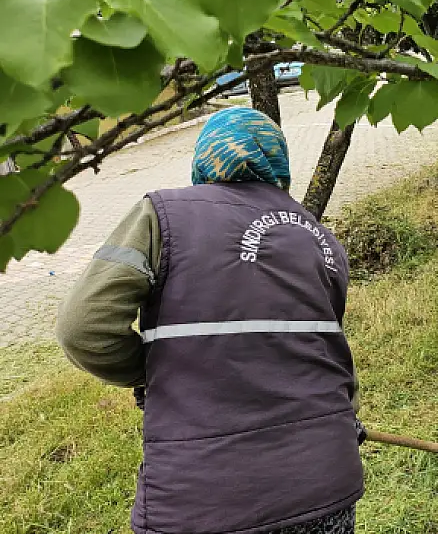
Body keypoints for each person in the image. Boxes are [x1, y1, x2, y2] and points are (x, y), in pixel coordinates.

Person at [56, 108, 364, 534]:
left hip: (204, 502)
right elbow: (328, 354)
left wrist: (154, 372)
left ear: (204, 160)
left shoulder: (162, 215)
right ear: (279, 164)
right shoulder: (322, 239)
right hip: (327, 485)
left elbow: (82, 328)